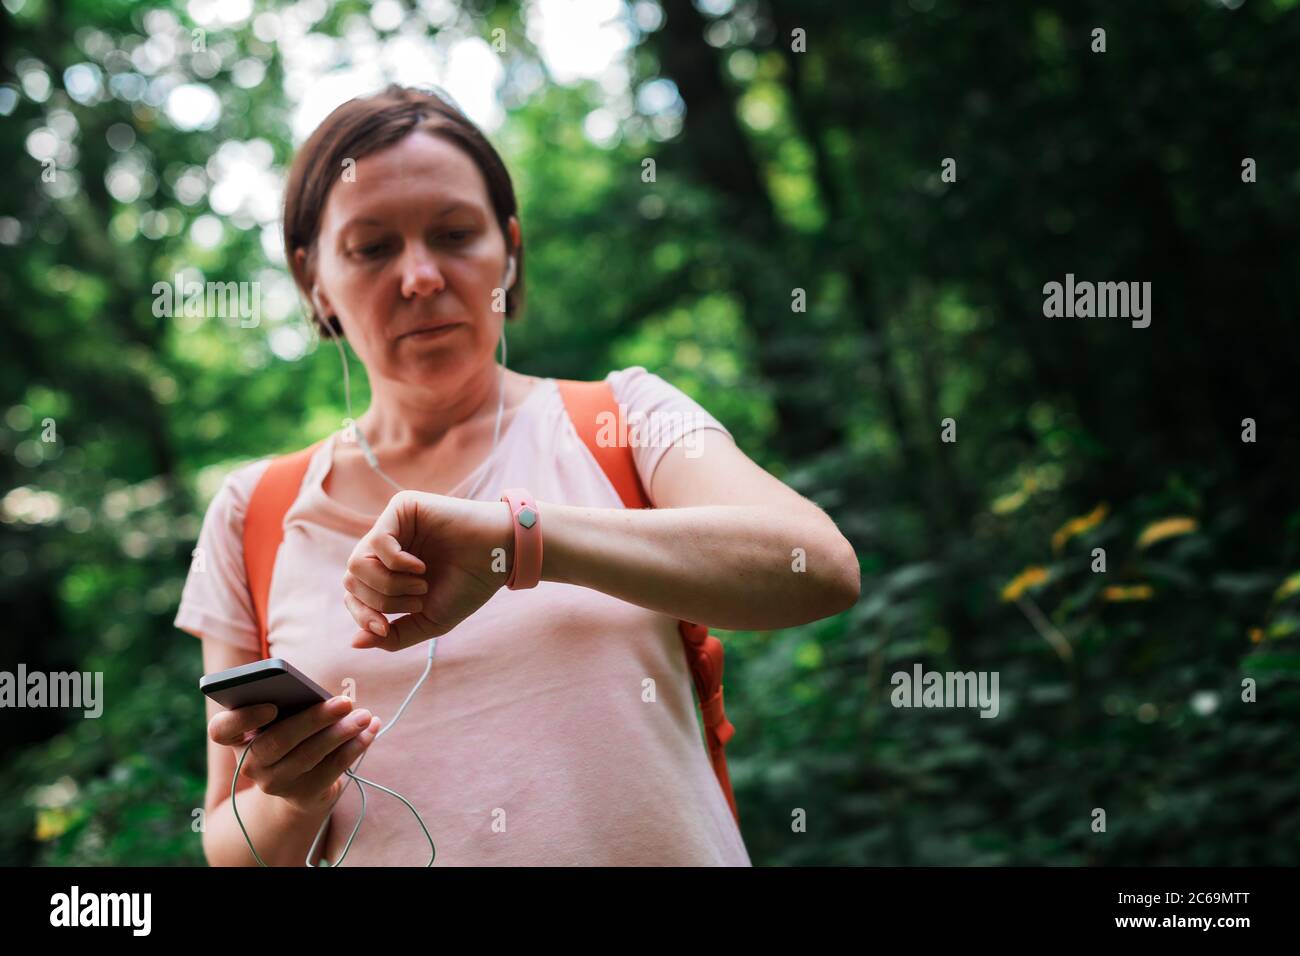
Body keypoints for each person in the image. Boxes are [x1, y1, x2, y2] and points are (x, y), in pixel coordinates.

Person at [175, 84, 860, 866]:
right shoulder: (250, 513)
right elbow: (229, 843)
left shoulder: (623, 417)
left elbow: (820, 566)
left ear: (509, 246)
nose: (422, 276)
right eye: (371, 248)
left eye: (455, 233)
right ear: (314, 279)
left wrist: (520, 541)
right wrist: (296, 792)